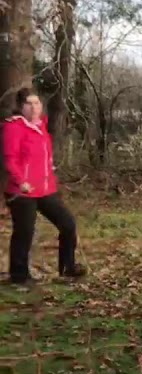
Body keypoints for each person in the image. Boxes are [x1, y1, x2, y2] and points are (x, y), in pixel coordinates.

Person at [3, 88, 85, 284]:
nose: (34, 108)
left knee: (68, 224)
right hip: (21, 191)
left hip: (44, 189)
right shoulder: (13, 128)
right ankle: (19, 276)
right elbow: (9, 159)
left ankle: (67, 268)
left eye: (37, 103)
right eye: (29, 104)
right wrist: (21, 181)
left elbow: (44, 159)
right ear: (20, 107)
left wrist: (50, 176)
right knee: (24, 232)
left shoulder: (42, 127)